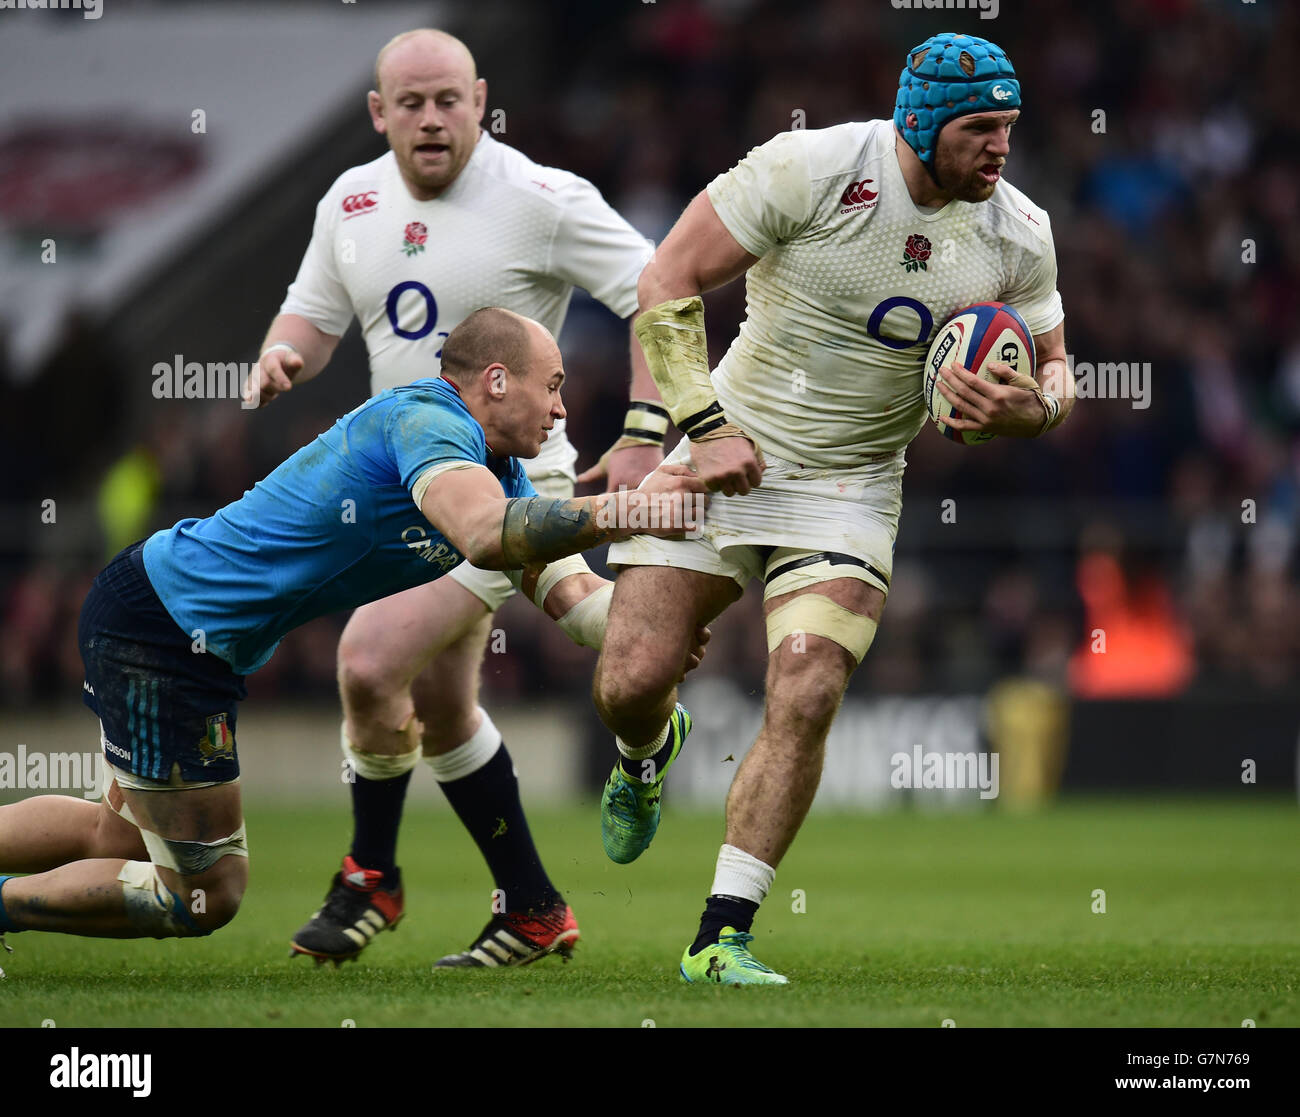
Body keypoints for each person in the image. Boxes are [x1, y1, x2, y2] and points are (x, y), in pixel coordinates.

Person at [590, 32, 1077, 984]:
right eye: (981, 128)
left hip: (850, 485)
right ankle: (648, 752)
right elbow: (667, 276)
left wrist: (1037, 408)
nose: (1000, 147)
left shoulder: (1019, 232)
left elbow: (1058, 368)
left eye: (1010, 128)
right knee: (629, 680)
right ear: (923, 122)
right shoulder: (809, 167)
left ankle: (721, 933)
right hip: (724, 443)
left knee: (807, 686)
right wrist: (699, 423)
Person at [0, 309, 703, 954]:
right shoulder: (429, 421)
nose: (560, 408)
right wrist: (632, 509)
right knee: (207, 893)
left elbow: (573, 595)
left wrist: (660, 627)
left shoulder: (503, 477)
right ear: (496, 380)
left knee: (115, 833)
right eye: (552, 385)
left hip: (174, 629)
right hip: (161, 633)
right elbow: (487, 537)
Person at [246, 28, 671, 967]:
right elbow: (310, 321)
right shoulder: (347, 201)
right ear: (379, 113)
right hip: (408, 497)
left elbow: (659, 292)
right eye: (411, 103)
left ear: (481, 99)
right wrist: (282, 354)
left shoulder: (540, 199)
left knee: (367, 659)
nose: (431, 119)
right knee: (441, 702)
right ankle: (532, 902)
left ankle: (370, 877)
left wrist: (645, 429)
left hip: (517, 480)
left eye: (448, 100)